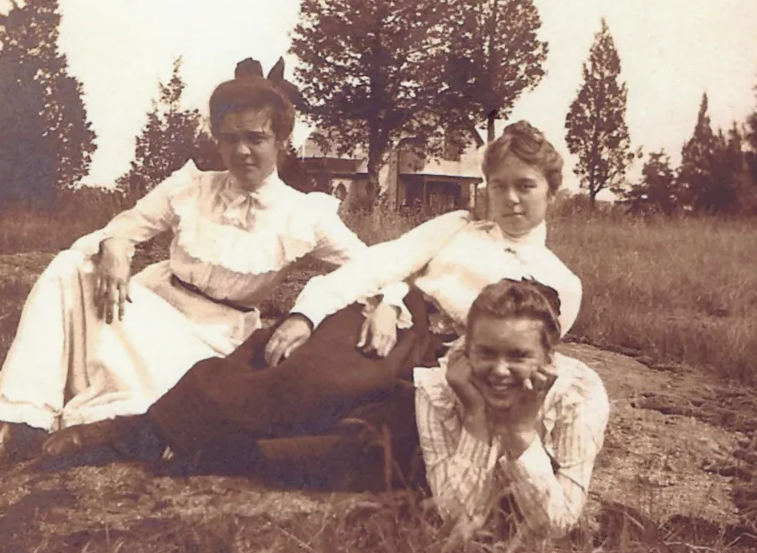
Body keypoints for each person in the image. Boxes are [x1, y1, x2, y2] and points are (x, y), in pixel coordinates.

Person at [0, 58, 401, 466]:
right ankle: (14, 423)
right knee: (67, 265)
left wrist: (374, 305)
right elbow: (127, 224)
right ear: (217, 139)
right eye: (231, 138)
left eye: (256, 137)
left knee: (154, 393)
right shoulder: (191, 187)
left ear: (280, 140)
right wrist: (116, 249)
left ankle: (87, 423)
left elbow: (375, 264)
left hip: (210, 339)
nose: (243, 151)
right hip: (154, 304)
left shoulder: (305, 214)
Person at [43, 121, 583, 481]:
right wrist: (311, 312)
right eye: (499, 185)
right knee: (308, 371)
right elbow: (380, 263)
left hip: (461, 362)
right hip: (399, 317)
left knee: (364, 431)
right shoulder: (460, 226)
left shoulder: (558, 281)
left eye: (526, 186)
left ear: (551, 191)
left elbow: (531, 357)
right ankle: (143, 431)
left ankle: (211, 456)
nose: (510, 198)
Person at [415, 279, 610, 540]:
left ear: (548, 357)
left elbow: (555, 526)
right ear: (466, 350)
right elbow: (456, 517)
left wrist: (520, 430)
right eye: (485, 353)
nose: (499, 370)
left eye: (518, 356)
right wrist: (475, 416)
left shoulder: (578, 393)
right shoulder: (438, 388)